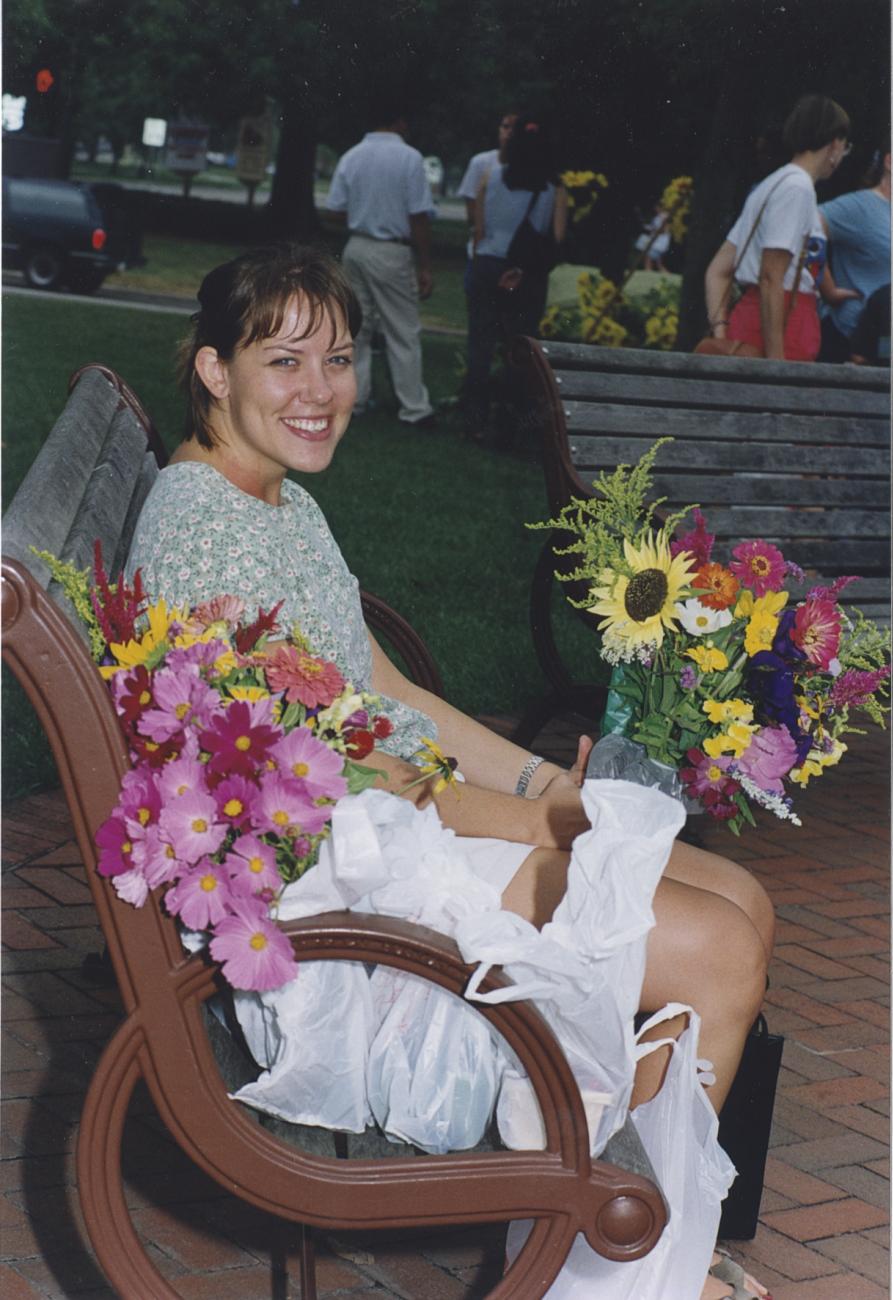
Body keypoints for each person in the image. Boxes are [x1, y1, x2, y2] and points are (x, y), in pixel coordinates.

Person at [127, 244, 774, 1300]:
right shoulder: (207, 535)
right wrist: (554, 827)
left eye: (337, 360)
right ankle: (618, 1257)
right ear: (213, 368)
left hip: (394, 836)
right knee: (715, 946)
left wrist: (545, 791)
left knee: (737, 895)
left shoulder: (272, 502)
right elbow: (339, 786)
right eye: (284, 361)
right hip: (343, 900)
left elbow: (386, 691)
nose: (320, 392)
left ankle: (623, 1236)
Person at [704, 95, 853, 361]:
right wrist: (776, 365)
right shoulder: (798, 188)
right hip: (781, 327)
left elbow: (718, 270)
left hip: (753, 323)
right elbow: (771, 277)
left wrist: (722, 333)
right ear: (834, 144)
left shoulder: (771, 184)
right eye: (845, 146)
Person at [325, 98, 436, 427]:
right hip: (391, 249)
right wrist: (425, 264)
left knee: (356, 328)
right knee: (402, 329)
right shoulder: (410, 158)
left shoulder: (352, 155)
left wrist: (364, 215)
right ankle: (414, 407)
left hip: (357, 245)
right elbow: (418, 215)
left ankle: (354, 400)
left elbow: (334, 209)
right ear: (399, 122)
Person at [462, 112, 568, 440]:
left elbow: (478, 228)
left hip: (486, 264)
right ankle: (508, 424)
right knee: (518, 350)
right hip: (524, 273)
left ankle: (472, 420)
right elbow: (558, 237)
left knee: (479, 344)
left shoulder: (489, 177)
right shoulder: (554, 187)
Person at [817, 148, 891, 363]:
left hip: (885, 350)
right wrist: (825, 285)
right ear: (889, 161)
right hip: (848, 341)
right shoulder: (861, 207)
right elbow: (806, 226)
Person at [456, 110, 518, 292]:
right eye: (505, 126)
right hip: (484, 251)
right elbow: (472, 213)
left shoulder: (529, 171)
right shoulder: (481, 163)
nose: (509, 132)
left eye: (515, 128)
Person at [635, 203, 671, 272]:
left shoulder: (664, 216)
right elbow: (654, 227)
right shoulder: (658, 216)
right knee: (652, 257)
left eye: (657, 207)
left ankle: (648, 269)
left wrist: (655, 231)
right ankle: (647, 269)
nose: (655, 209)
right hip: (656, 239)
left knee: (657, 262)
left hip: (660, 240)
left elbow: (665, 229)